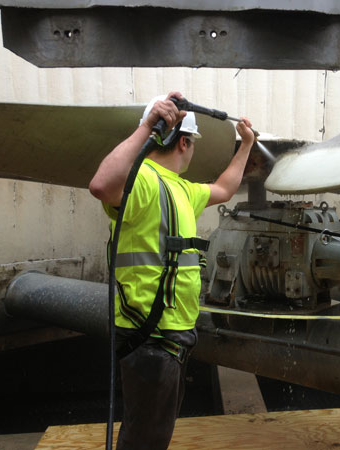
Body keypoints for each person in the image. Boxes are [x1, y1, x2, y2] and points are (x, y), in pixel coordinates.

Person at [89, 91, 254, 449]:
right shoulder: (143, 180)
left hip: (173, 335)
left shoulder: (180, 189)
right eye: (192, 143)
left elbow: (225, 189)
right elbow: (101, 185)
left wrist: (246, 145)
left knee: (151, 433)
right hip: (150, 335)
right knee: (145, 439)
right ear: (184, 142)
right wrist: (147, 126)